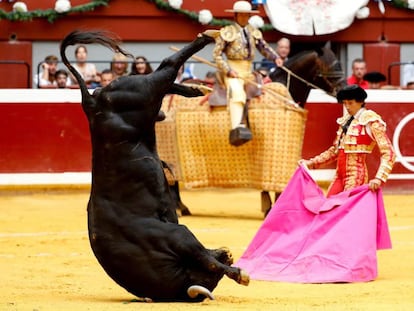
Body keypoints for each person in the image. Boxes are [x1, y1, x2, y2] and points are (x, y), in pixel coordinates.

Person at [300, 84, 395, 197]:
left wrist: (379, 178)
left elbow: (389, 152)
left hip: (356, 176)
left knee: (346, 210)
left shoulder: (370, 121)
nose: (347, 107)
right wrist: (311, 163)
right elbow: (334, 152)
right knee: (328, 207)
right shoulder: (346, 121)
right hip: (339, 176)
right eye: (345, 103)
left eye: (350, 103)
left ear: (360, 102)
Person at [213, 0, 282, 146]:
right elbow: (217, 55)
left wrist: (276, 58)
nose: (245, 18)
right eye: (242, 15)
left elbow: (264, 48)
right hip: (233, 71)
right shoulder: (227, 32)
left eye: (247, 15)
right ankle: (236, 128)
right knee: (237, 92)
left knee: (265, 91)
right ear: (236, 16)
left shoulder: (253, 32)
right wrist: (228, 70)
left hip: (248, 71)